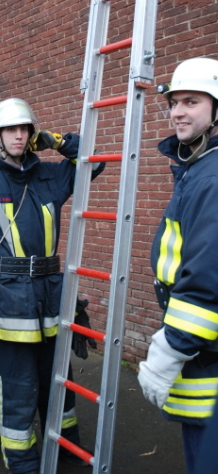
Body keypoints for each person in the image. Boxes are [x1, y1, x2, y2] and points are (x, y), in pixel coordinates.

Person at [0, 97, 104, 474]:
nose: (19, 136)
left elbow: (94, 161)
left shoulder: (51, 174)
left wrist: (56, 141)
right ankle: (22, 462)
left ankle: (67, 445)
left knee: (58, 378)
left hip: (52, 294)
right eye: (10, 130)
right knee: (18, 386)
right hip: (9, 298)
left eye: (25, 129)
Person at [138, 57, 218, 474]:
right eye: (174, 102)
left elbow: (208, 277)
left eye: (192, 101)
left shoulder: (211, 177)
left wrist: (172, 348)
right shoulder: (197, 169)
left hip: (206, 351)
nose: (178, 112)